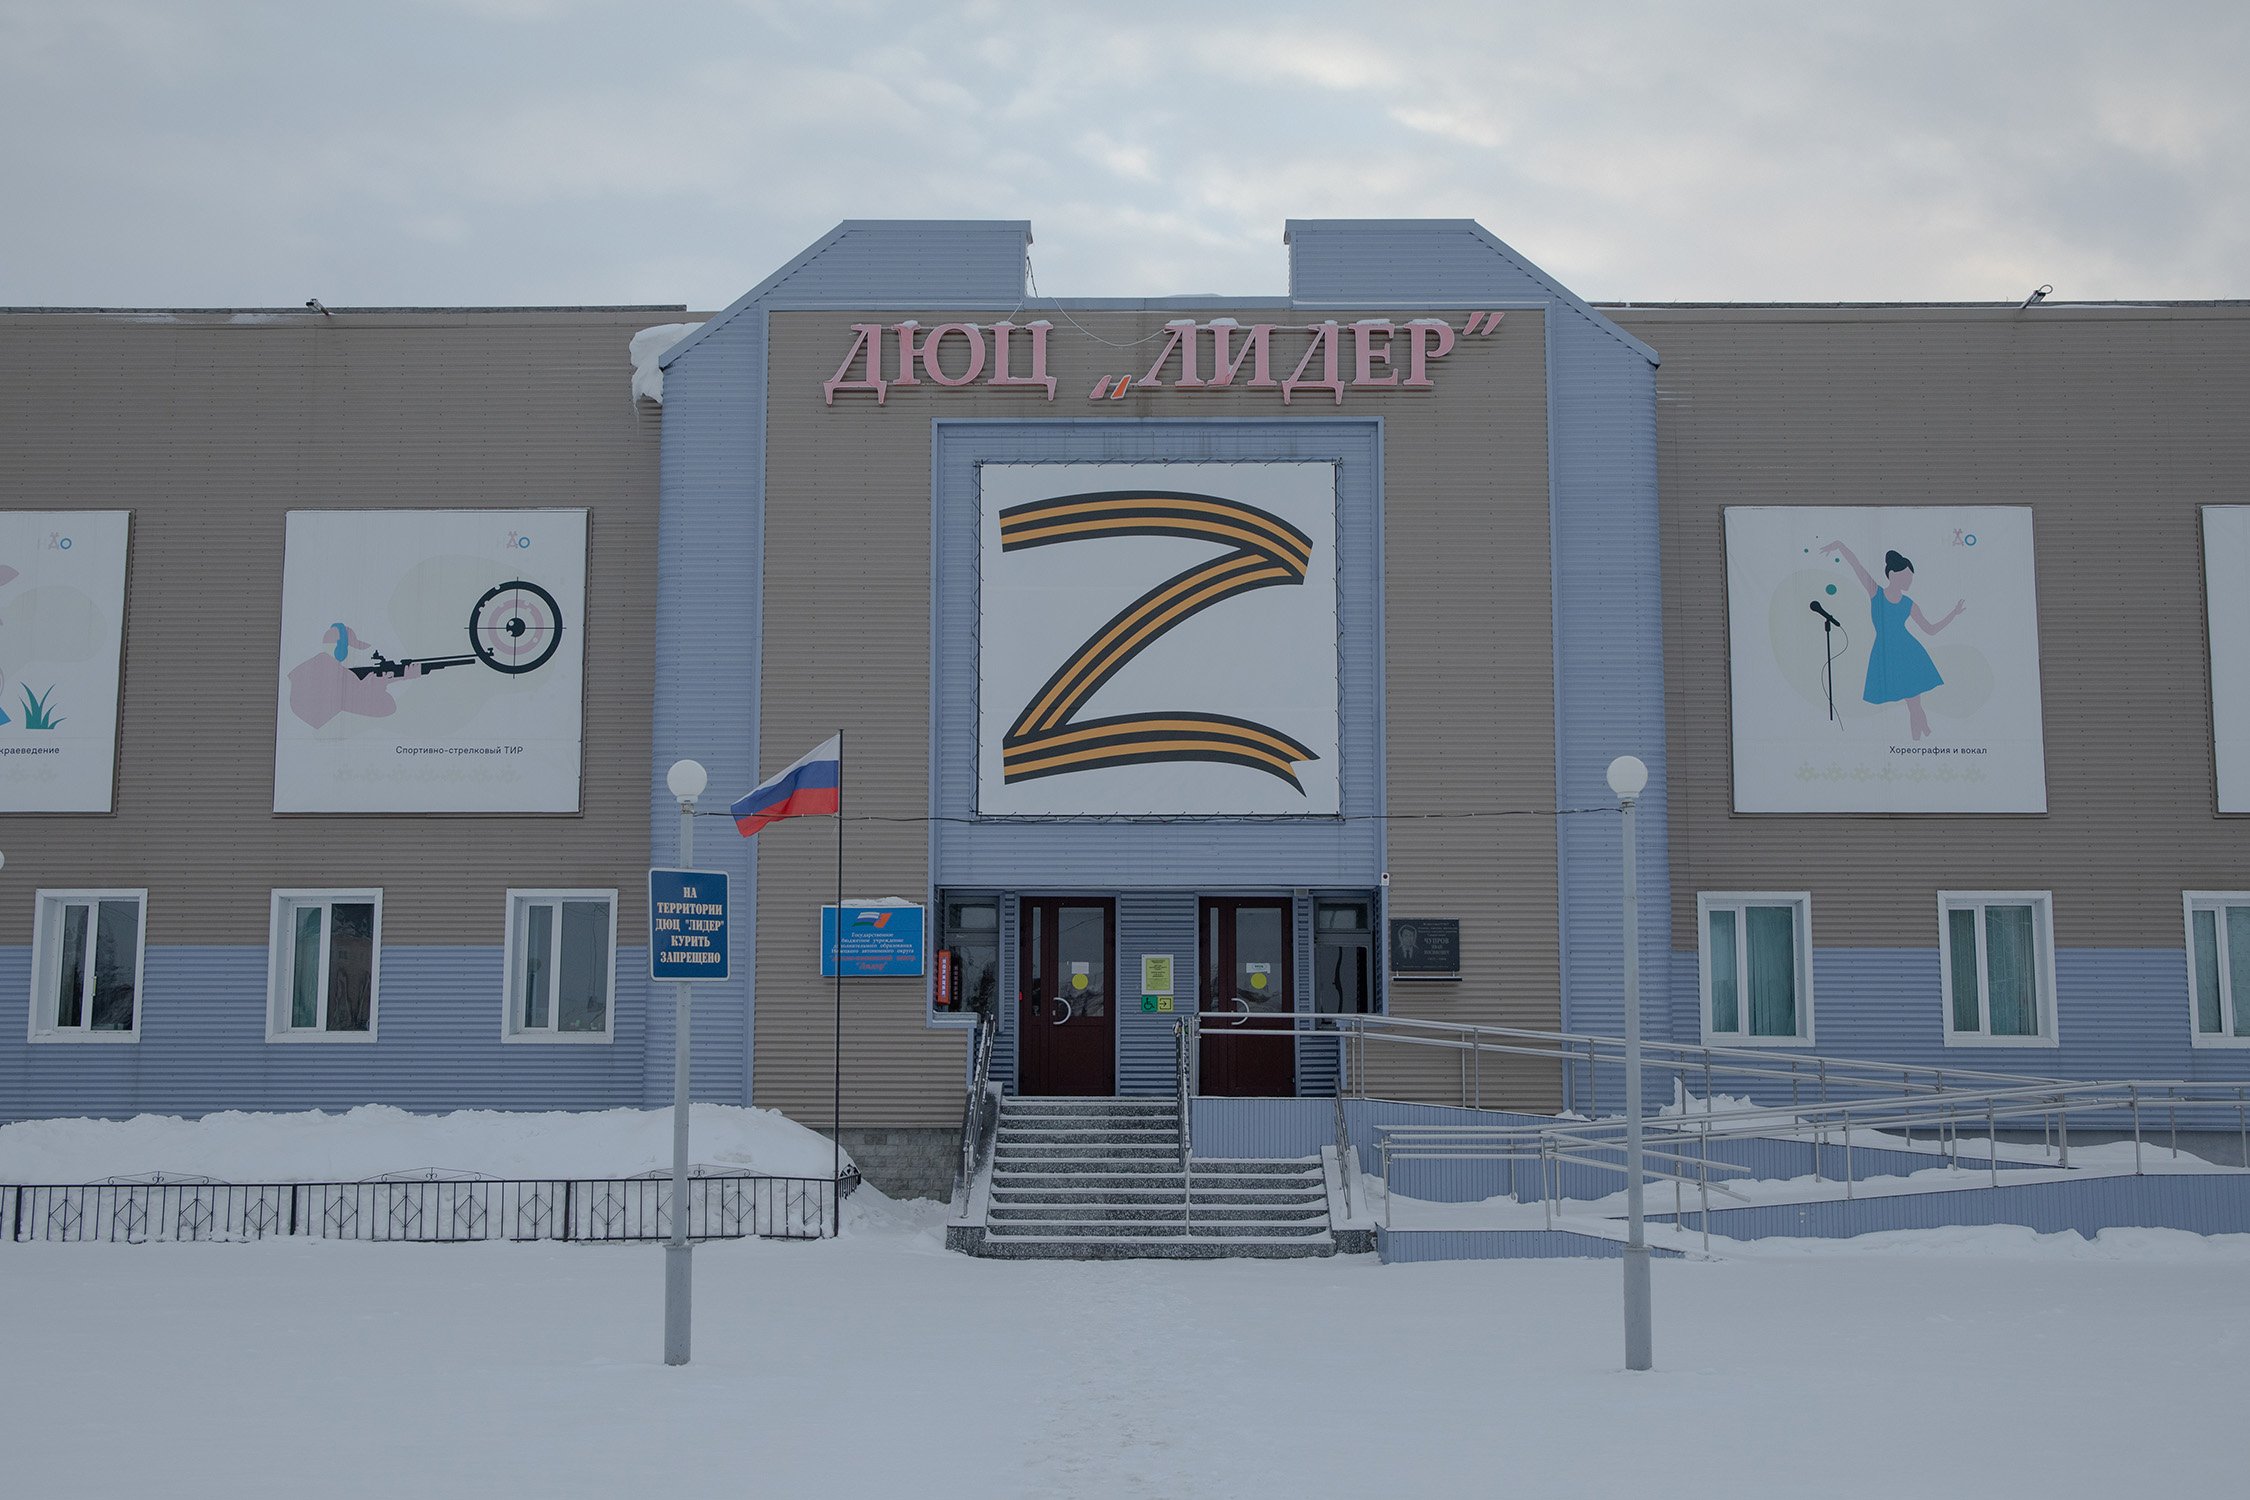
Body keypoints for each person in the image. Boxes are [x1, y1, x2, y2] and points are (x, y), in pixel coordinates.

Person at [1819, 541, 1965, 741]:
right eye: (1907, 576)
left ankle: (1921, 736)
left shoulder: (1909, 603)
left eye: (1911, 577)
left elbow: (1930, 629)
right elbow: (1857, 566)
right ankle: (1923, 733)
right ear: (1893, 574)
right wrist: (1840, 546)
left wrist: (1953, 614)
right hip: (1888, 654)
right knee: (1913, 703)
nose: (1909, 580)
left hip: (1909, 653)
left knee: (1914, 703)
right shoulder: (1876, 592)